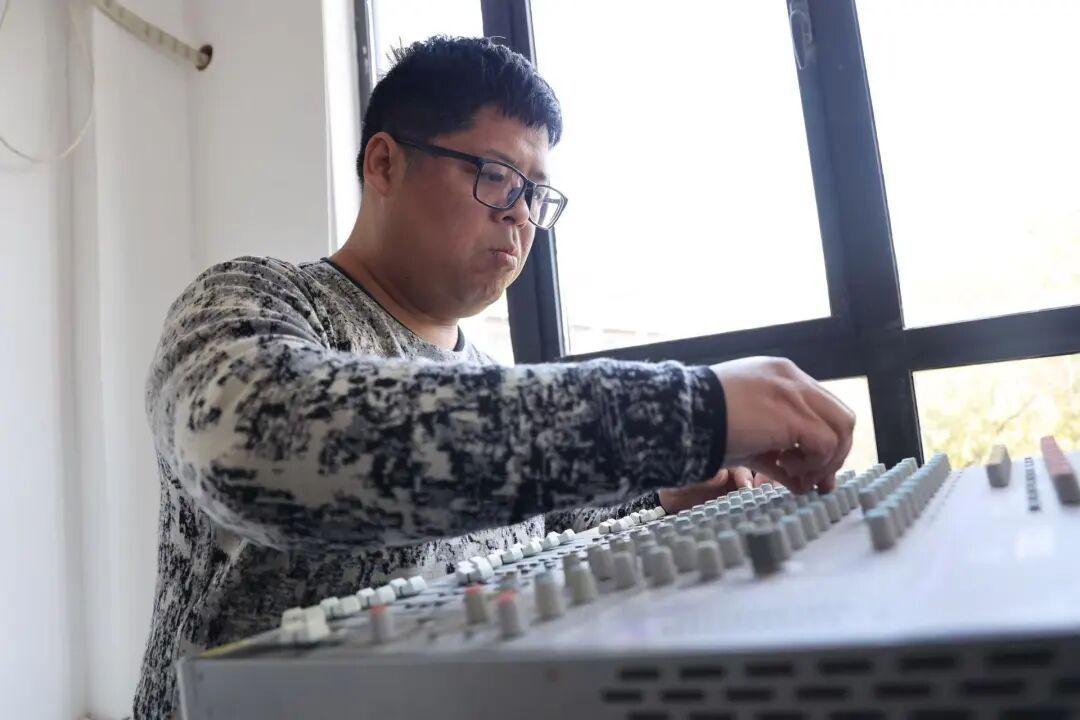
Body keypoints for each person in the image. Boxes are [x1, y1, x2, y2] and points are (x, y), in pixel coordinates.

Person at [133, 35, 854, 719]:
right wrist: (692, 412)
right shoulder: (257, 299)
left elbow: (547, 519)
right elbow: (253, 443)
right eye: (496, 176)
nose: (520, 216)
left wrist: (665, 492)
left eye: (536, 193)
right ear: (383, 165)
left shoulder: (485, 377)